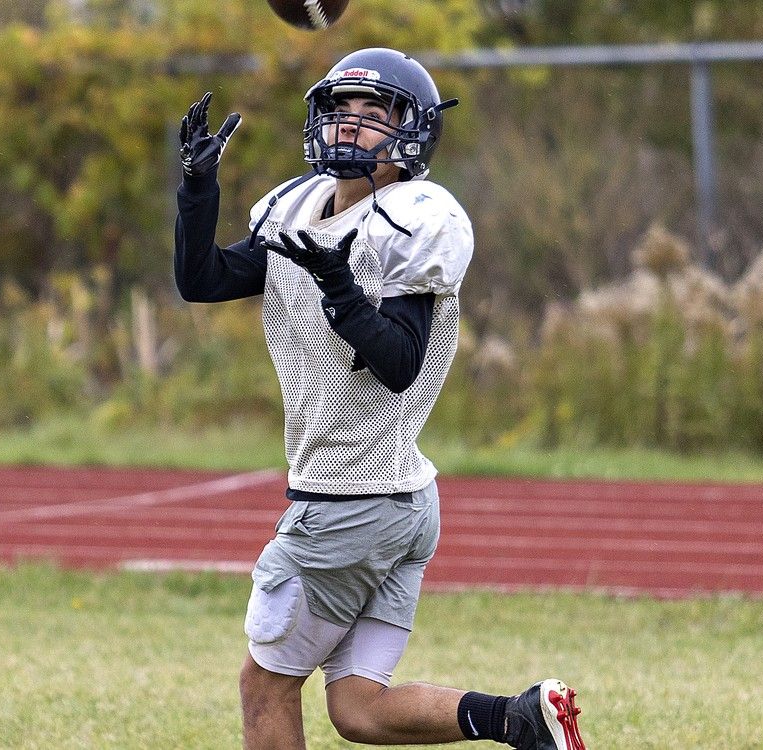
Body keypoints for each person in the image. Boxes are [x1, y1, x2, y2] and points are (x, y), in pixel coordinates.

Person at [173, 47, 587, 750]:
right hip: (403, 502)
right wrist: (196, 189)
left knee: (263, 687)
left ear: (412, 132)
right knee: (359, 708)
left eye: (373, 115)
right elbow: (203, 280)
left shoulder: (415, 219)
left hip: (347, 500)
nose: (350, 127)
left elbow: (396, 361)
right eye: (340, 111)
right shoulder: (296, 206)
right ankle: (520, 718)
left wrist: (340, 285)